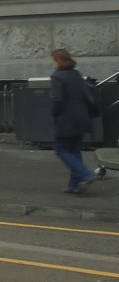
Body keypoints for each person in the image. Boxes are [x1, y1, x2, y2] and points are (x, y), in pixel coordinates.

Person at [49, 49, 96, 194]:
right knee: (74, 150)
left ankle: (86, 174)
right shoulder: (77, 74)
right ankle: (74, 184)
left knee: (61, 149)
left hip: (66, 119)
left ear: (58, 61)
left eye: (53, 60)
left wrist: (54, 113)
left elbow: (58, 99)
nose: (52, 63)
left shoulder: (57, 77)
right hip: (81, 116)